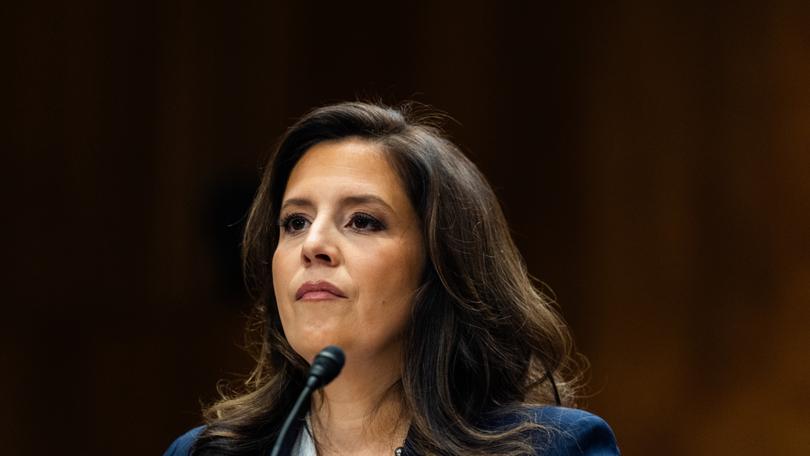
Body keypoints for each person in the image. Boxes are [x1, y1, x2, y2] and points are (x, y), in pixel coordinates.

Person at [164, 101, 620, 455]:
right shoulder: (206, 453)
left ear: (439, 264)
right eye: (295, 222)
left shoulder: (550, 449)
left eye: (363, 221)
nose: (313, 244)